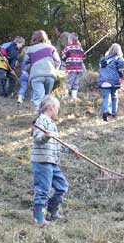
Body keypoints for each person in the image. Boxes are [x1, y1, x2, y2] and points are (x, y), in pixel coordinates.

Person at [31, 95, 78, 227]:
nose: (58, 110)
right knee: (43, 190)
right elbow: (37, 138)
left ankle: (52, 210)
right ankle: (38, 218)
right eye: (58, 108)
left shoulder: (52, 124)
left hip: (52, 162)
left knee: (62, 186)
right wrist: (45, 137)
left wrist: (72, 149)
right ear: (51, 108)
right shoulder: (41, 120)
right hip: (42, 161)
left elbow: (57, 144)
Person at [23, 30, 61, 113]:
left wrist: (31, 68)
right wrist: (54, 69)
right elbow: (58, 61)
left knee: (39, 97)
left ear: (34, 38)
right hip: (50, 75)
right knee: (47, 97)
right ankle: (48, 115)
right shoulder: (51, 48)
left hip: (37, 76)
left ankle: (40, 115)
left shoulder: (30, 49)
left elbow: (26, 64)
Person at [97, 43, 124, 122]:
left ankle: (105, 112)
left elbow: (100, 69)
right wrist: (121, 76)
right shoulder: (119, 59)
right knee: (114, 96)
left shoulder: (103, 59)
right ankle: (114, 113)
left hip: (103, 81)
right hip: (113, 81)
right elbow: (120, 70)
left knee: (106, 97)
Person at [62, 33, 86, 100]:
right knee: (76, 83)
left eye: (68, 39)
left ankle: (65, 97)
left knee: (68, 82)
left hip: (70, 68)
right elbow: (83, 57)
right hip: (78, 69)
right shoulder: (80, 48)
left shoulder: (67, 47)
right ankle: (74, 97)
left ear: (70, 40)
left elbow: (63, 57)